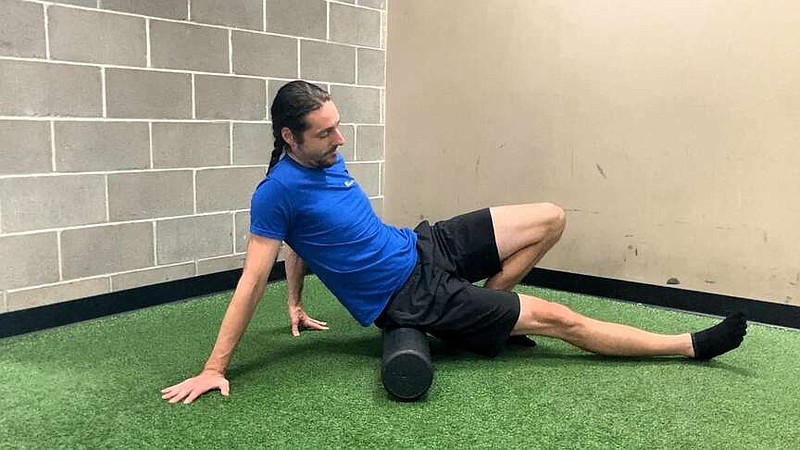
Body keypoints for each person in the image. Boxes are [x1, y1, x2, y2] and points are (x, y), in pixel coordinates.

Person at [161, 80, 747, 405]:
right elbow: (251, 275)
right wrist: (215, 366)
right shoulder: (276, 192)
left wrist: (295, 302)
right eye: (326, 131)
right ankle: (687, 346)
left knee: (550, 217)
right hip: (408, 297)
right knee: (561, 319)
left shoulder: (324, 160)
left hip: (424, 244)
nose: (341, 137)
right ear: (290, 137)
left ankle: (481, 319)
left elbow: (302, 245)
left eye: (339, 123)